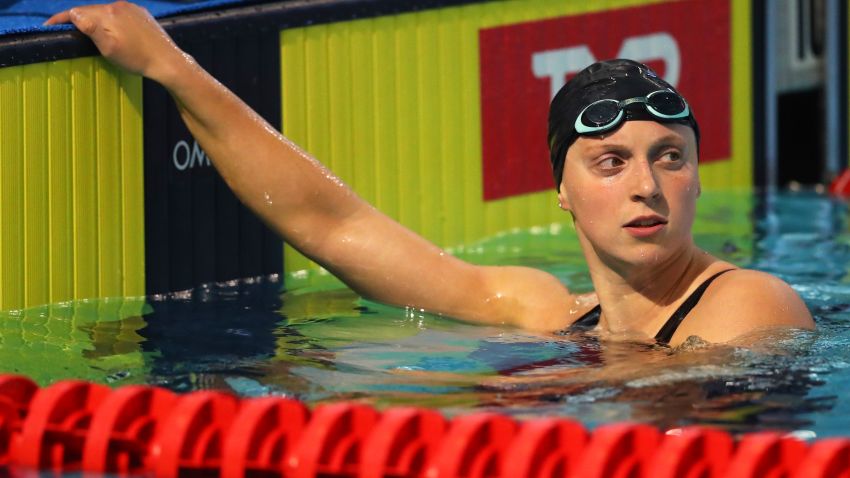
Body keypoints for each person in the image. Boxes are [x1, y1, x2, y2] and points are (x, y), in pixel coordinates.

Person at [45, 2, 814, 347]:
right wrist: (169, 67)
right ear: (562, 193)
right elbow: (335, 227)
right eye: (611, 162)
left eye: (670, 157)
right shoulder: (542, 309)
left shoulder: (749, 302)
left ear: (698, 180)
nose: (647, 185)